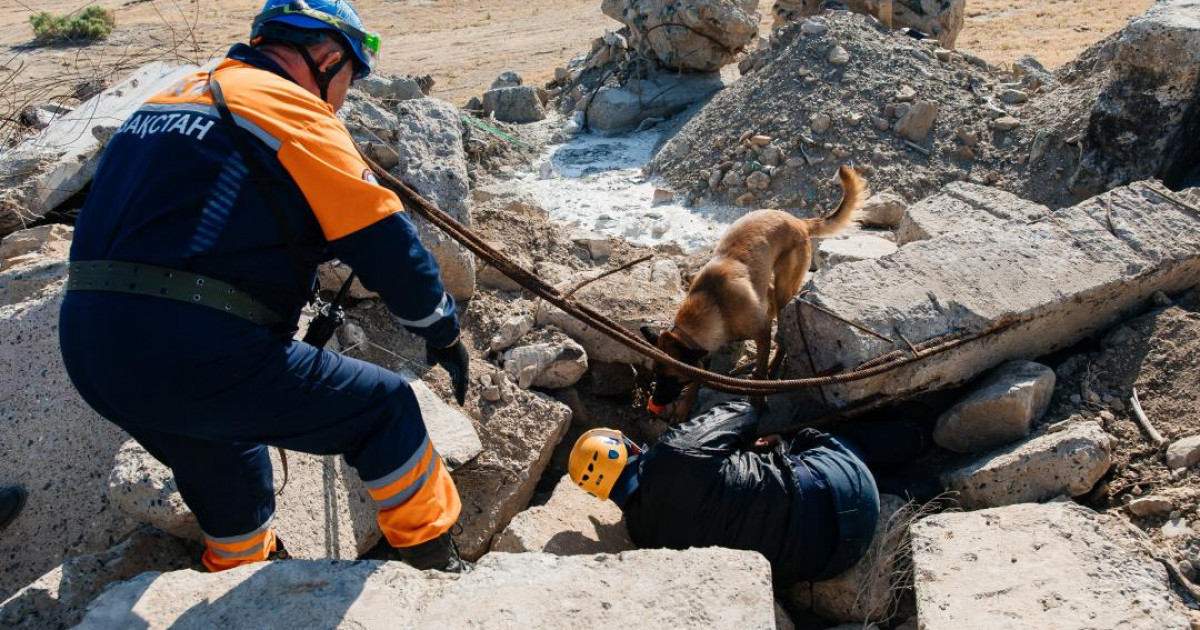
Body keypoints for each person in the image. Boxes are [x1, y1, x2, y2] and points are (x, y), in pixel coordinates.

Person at [59, 0, 470, 573]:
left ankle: (238, 568)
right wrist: (442, 330)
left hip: (90, 351)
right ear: (326, 59)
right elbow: (386, 245)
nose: (342, 98)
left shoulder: (167, 98)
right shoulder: (291, 107)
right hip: (193, 349)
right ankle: (436, 567)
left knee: (221, 450)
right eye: (348, 79)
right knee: (385, 409)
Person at [568, 401, 936, 584]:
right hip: (845, 488)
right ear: (628, 448)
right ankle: (923, 435)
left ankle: (923, 488)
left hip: (829, 562)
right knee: (820, 443)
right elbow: (743, 410)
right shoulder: (674, 453)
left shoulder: (642, 536)